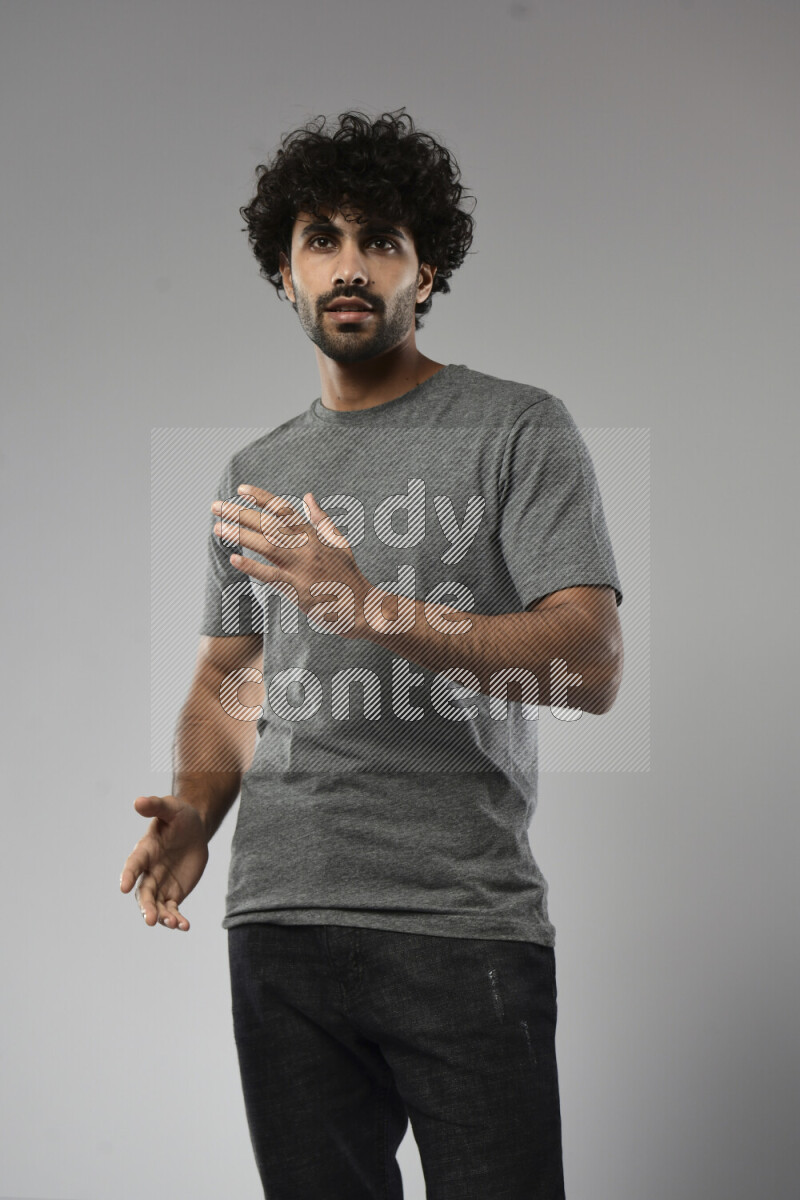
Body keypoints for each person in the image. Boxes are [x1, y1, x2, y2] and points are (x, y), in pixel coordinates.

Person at [120, 109, 624, 1200]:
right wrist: (195, 811)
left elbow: (588, 666)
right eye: (320, 240)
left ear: (424, 270)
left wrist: (373, 607)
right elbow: (227, 679)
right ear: (284, 277)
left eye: (380, 240)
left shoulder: (515, 429)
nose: (349, 266)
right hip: (281, 918)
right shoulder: (256, 466)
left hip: (459, 921)